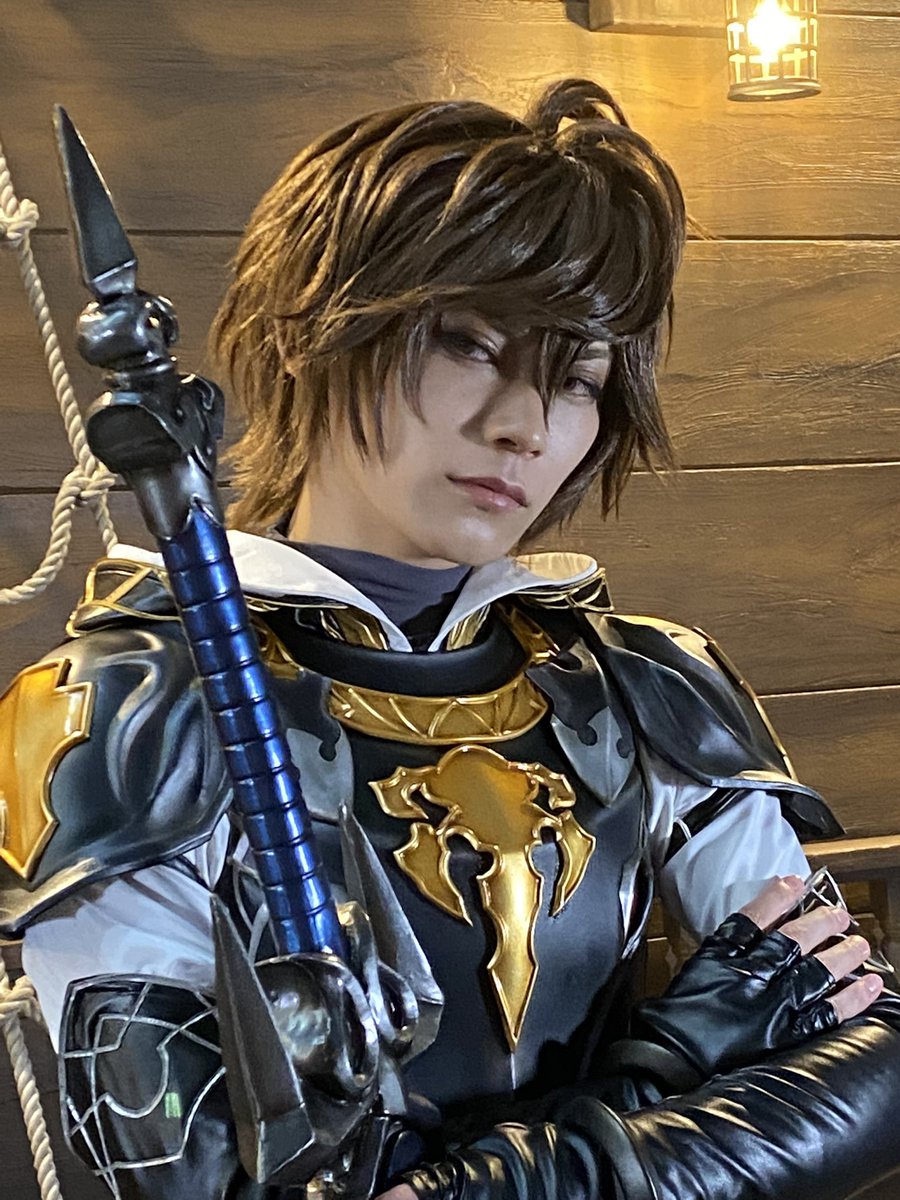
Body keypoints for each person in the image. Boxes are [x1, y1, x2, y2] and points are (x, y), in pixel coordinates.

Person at [0, 77, 898, 1200]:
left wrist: (508, 1175)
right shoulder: (120, 713)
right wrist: (672, 1062)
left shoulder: (643, 682)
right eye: (469, 345)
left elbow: (873, 1056)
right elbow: (198, 1180)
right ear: (312, 333)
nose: (524, 425)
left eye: (576, 379)